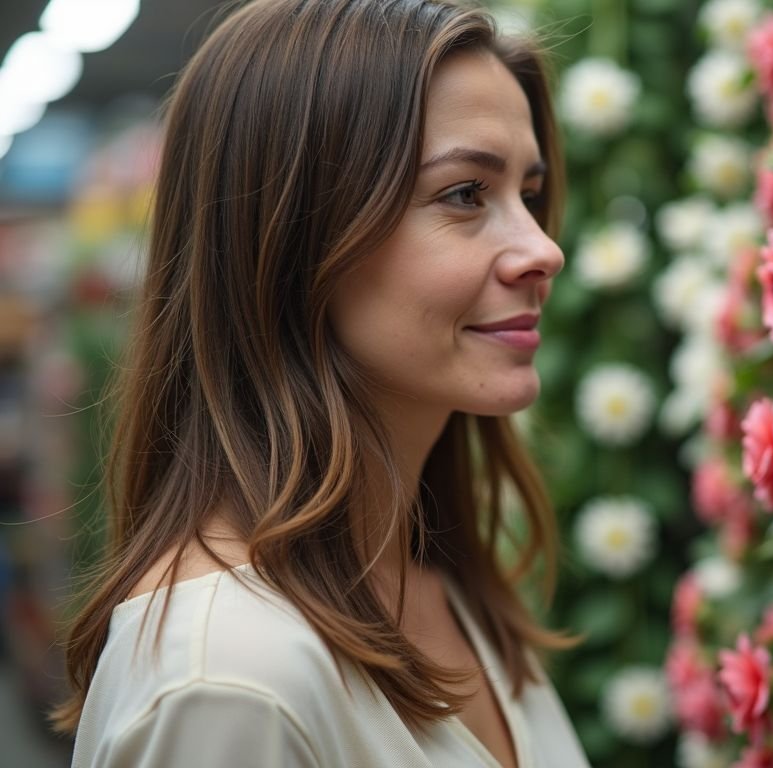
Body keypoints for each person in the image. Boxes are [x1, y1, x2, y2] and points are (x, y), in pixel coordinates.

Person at [54, 1, 588, 765]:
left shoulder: (427, 581)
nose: (543, 250)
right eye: (466, 193)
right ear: (291, 236)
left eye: (528, 195)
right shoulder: (229, 681)